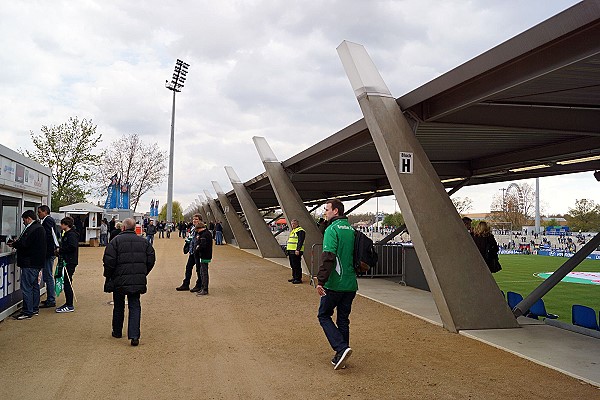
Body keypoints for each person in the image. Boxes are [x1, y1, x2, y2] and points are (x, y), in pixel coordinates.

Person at [316, 199, 357, 370]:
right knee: (343, 320)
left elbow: (328, 257)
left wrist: (321, 281)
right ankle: (342, 355)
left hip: (334, 283)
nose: (325, 212)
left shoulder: (332, 230)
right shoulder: (352, 230)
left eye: (327, 209)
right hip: (350, 284)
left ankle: (341, 348)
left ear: (336, 211)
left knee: (323, 315)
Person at [103, 218, 155, 346]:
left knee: (118, 306)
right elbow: (151, 260)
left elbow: (109, 262)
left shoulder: (115, 242)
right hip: (136, 279)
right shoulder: (144, 242)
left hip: (118, 278)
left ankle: (117, 331)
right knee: (135, 305)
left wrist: (109, 276)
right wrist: (143, 272)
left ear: (123, 228)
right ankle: (134, 335)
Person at [8, 210, 46, 320]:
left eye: (24, 220)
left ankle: (27, 311)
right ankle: (34, 308)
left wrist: (14, 244)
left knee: (26, 287)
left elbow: (25, 243)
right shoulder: (39, 228)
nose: (23, 222)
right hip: (36, 262)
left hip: (30, 262)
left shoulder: (32, 229)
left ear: (28, 218)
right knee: (34, 286)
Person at [37, 205, 59, 309]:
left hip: (48, 253)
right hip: (50, 252)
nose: (38, 214)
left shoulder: (48, 221)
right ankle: (50, 298)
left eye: (39, 212)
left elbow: (50, 236)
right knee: (47, 275)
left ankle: (51, 299)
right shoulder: (48, 221)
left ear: (45, 212)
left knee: (48, 275)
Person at [56, 216, 79, 313]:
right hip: (67, 260)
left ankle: (69, 304)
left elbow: (72, 247)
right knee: (66, 281)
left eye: (62, 224)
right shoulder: (66, 234)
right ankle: (68, 303)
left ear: (66, 225)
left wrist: (60, 250)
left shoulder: (71, 235)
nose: (61, 226)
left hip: (69, 261)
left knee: (67, 282)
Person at [176, 214, 203, 292]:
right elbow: (190, 239)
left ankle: (199, 285)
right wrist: (186, 246)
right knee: (188, 268)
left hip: (197, 252)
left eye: (196, 219)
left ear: (200, 220)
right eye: (194, 219)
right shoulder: (192, 228)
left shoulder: (201, 229)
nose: (194, 220)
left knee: (199, 269)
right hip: (192, 252)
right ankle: (186, 284)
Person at [194, 221, 213, 296]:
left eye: (197, 230)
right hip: (206, 255)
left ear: (200, 228)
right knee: (203, 271)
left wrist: (197, 249)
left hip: (204, 255)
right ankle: (203, 288)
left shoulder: (204, 235)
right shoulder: (207, 233)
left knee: (204, 272)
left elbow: (202, 245)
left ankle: (205, 289)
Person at [286, 219, 305, 284]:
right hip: (291, 250)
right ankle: (294, 277)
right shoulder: (294, 231)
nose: (292, 225)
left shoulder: (300, 231)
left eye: (293, 224)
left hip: (296, 251)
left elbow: (300, 241)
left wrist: (298, 249)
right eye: (291, 224)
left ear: (297, 224)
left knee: (297, 265)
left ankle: (298, 278)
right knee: (293, 265)